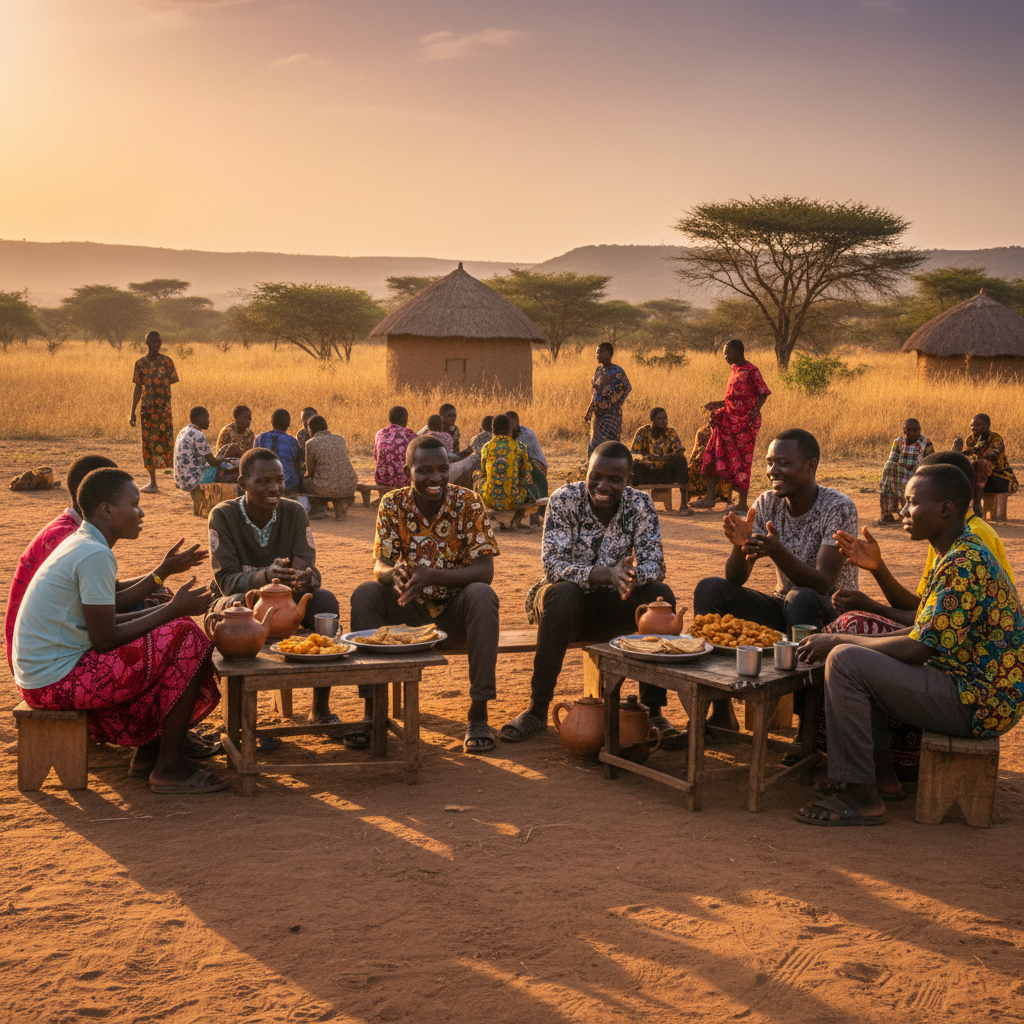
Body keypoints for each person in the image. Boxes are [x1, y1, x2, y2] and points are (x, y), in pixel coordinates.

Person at [793, 464, 1024, 826]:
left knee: (845, 660)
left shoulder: (965, 563)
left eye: (911, 503)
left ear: (945, 509)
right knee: (855, 652)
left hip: (978, 701)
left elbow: (919, 649)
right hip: (968, 685)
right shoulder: (955, 550)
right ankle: (879, 778)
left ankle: (861, 795)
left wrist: (839, 639)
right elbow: (924, 626)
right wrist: (857, 632)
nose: (902, 513)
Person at [12, 468, 225, 794]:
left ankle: (149, 753)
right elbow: (105, 638)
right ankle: (169, 767)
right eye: (134, 504)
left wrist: (165, 586)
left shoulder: (83, 542)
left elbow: (113, 606)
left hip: (46, 673)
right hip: (54, 681)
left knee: (174, 626)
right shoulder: (94, 554)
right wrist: (173, 609)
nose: (141, 512)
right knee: (187, 638)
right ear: (107, 510)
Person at [500, 441, 681, 744]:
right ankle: (537, 708)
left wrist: (629, 576)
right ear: (586, 471)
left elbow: (656, 563)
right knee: (564, 594)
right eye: (596, 475)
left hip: (615, 601)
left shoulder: (639, 504)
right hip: (564, 609)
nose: (603, 485)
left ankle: (653, 710)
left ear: (628, 479)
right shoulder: (564, 499)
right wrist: (606, 575)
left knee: (660, 595)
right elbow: (554, 566)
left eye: (615, 479)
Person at [693, 428, 857, 728]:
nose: (772, 471)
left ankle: (806, 726)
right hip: (786, 607)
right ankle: (719, 706)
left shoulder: (838, 507)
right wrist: (739, 547)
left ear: (811, 466)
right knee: (711, 590)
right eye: (769, 463)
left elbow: (822, 582)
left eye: (783, 463)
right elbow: (736, 579)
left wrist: (777, 551)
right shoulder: (768, 502)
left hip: (830, 614)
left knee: (802, 597)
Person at [350, 436, 501, 754]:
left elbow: (485, 570)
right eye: (425, 470)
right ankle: (370, 712)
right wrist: (395, 574)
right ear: (408, 471)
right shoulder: (392, 503)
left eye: (443, 469)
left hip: (454, 616)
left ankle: (478, 714)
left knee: (482, 595)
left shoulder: (468, 502)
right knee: (366, 593)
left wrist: (433, 575)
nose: (436, 478)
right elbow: (381, 565)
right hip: (410, 613)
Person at [209, 448, 342, 736]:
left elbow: (306, 564)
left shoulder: (293, 511)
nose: (275, 488)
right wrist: (265, 576)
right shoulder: (223, 515)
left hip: (284, 602)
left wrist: (303, 579)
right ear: (242, 483)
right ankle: (244, 720)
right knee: (235, 610)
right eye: (264, 481)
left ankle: (320, 707)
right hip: (236, 599)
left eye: (280, 480)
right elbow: (225, 579)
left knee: (324, 601)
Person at [692, 339, 771, 514]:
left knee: (742, 461)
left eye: (727, 353)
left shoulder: (752, 370)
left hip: (744, 424)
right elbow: (733, 398)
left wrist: (753, 411)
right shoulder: (734, 370)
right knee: (711, 453)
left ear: (737, 351)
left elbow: (763, 393)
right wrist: (717, 403)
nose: (725, 357)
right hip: (727, 420)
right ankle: (710, 497)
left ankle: (742, 503)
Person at [129, 331, 179, 494]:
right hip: (147, 410)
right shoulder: (140, 364)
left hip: (164, 409)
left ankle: (175, 478)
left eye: (158, 341)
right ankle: (153, 482)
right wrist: (133, 412)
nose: (155, 344)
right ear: (146, 343)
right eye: (152, 341)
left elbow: (170, 383)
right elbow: (138, 387)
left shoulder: (167, 362)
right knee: (148, 445)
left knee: (167, 442)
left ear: (161, 343)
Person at [954, 413, 1019, 516]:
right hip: (979, 476)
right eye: (972, 425)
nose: (973, 428)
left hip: (999, 475)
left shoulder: (995, 438)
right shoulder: (971, 439)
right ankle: (973, 500)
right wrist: (958, 453)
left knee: (981, 463)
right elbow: (971, 457)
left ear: (988, 426)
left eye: (977, 425)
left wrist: (972, 452)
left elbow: (993, 455)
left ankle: (977, 499)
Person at [630, 407, 691, 514]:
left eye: (665, 418)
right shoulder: (643, 432)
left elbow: (678, 448)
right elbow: (634, 453)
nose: (664, 421)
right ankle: (635, 506)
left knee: (681, 460)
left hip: (665, 473)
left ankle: (683, 506)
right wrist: (647, 458)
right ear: (652, 420)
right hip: (648, 471)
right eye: (660, 418)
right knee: (635, 464)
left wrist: (678, 451)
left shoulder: (671, 432)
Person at [877, 419, 934, 525]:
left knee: (897, 474)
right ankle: (887, 512)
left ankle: (904, 512)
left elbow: (930, 462)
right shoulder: (898, 442)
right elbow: (892, 460)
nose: (915, 433)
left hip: (918, 473)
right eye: (911, 430)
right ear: (904, 431)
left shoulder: (925, 442)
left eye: (917, 430)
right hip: (901, 474)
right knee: (889, 467)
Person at [301, 414, 357, 517]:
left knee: (305, 482)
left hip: (324, 487)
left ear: (310, 430)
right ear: (326, 426)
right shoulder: (340, 439)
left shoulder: (311, 443)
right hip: (350, 485)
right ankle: (340, 502)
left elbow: (311, 471)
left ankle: (318, 507)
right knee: (329, 482)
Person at [173, 407, 237, 492]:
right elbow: (212, 462)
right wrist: (226, 460)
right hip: (192, 481)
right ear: (199, 419)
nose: (208, 421)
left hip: (180, 480)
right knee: (229, 468)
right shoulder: (198, 435)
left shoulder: (183, 431)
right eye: (206, 418)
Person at [478, 414, 534, 510]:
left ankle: (481, 504)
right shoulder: (520, 447)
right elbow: (527, 478)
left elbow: (484, 472)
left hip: (490, 501)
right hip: (515, 500)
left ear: (492, 430)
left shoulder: (486, 447)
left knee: (477, 475)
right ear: (509, 430)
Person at [584, 342, 631, 455]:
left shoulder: (618, 372)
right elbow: (594, 393)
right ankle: (595, 469)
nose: (598, 355)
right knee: (594, 444)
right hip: (597, 415)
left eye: (601, 352)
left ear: (610, 354)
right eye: (597, 352)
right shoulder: (598, 370)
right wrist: (589, 412)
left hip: (611, 415)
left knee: (609, 445)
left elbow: (626, 388)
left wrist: (610, 397)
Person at [254, 409, 303, 494]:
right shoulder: (292, 441)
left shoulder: (260, 438)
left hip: (263, 483)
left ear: (272, 422)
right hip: (287, 484)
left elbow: (254, 461)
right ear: (288, 423)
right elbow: (297, 466)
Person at [688, 419, 731, 506]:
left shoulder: (727, 430)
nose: (712, 417)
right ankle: (707, 496)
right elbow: (696, 452)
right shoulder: (703, 431)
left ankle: (710, 496)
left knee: (713, 463)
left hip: (724, 462)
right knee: (699, 465)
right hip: (706, 461)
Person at [507, 410, 548, 499]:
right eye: (508, 425)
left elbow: (512, 451)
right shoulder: (511, 434)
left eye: (512, 425)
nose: (510, 427)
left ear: (517, 423)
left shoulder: (527, 434)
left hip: (538, 466)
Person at [374, 406, 418, 489]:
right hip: (404, 481)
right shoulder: (409, 433)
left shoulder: (380, 433)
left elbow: (376, 457)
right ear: (405, 419)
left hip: (381, 479)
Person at [295, 407, 318, 474]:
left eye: (308, 418)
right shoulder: (302, 433)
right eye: (303, 419)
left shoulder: (301, 433)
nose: (305, 421)